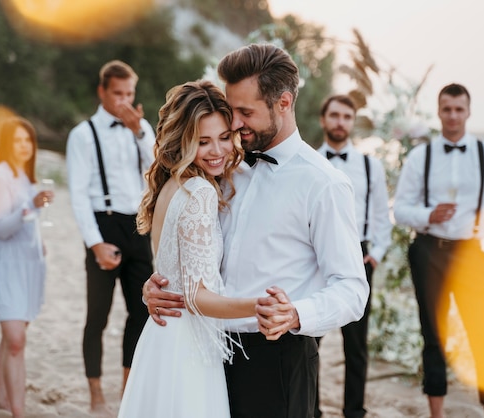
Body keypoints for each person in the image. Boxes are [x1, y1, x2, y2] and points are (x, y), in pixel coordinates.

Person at [143, 43, 370, 418]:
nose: (234, 124)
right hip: (209, 353)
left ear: (283, 103)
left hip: (277, 358)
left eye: (245, 112)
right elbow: (191, 251)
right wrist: (160, 286)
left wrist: (295, 313)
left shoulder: (324, 184)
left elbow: (352, 288)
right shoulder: (224, 169)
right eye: (232, 111)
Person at [117, 79, 293, 418]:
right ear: (183, 142)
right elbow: (196, 297)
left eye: (225, 138)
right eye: (203, 142)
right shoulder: (200, 192)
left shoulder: (171, 185)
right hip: (187, 342)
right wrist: (261, 305)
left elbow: (170, 273)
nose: (217, 151)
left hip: (162, 337)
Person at [393, 83, 484, 418]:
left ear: (468, 111)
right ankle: (437, 414)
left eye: (459, 109)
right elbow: (400, 210)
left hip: (471, 254)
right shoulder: (421, 156)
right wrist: (427, 215)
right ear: (438, 112)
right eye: (446, 109)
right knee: (433, 337)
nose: (452, 116)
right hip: (428, 251)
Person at [65, 60, 155, 414]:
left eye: (130, 94)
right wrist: (95, 243)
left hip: (139, 227)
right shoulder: (83, 134)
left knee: (141, 313)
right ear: (102, 92)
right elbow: (77, 194)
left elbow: (159, 167)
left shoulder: (141, 127)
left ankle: (128, 390)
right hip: (103, 226)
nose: (124, 101)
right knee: (97, 317)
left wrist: (140, 132)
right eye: (117, 93)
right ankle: (95, 394)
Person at [315, 95, 392, 418]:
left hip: (357, 256)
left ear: (353, 121)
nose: (340, 122)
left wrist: (373, 255)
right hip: (315, 256)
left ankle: (354, 411)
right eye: (334, 115)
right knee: (311, 340)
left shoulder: (370, 166)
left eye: (347, 116)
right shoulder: (310, 160)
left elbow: (381, 217)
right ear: (323, 119)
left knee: (356, 345)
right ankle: (312, 409)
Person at [0, 117, 54, 418]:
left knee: (11, 337)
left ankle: (0, 400)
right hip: (8, 267)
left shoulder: (25, 176)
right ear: (6, 144)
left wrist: (40, 242)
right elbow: (0, 228)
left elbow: (28, 224)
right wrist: (32, 206)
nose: (23, 147)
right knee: (15, 341)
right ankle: (17, 412)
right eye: (17, 141)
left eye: (28, 141)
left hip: (30, 267)